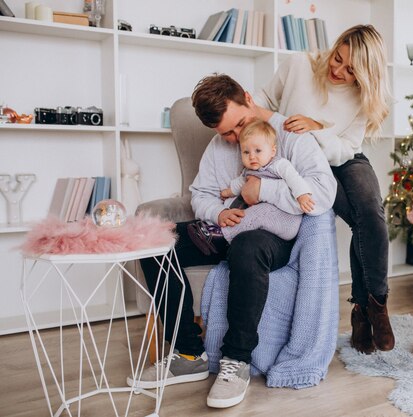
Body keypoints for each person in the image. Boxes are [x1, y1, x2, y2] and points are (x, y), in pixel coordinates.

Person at [129, 74, 336, 409]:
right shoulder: (218, 146)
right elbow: (201, 195)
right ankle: (188, 354)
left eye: (239, 124)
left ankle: (236, 361)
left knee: (247, 246)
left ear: (248, 98)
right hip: (225, 227)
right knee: (155, 242)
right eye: (226, 132)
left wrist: (263, 189)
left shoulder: (291, 134)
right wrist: (217, 213)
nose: (236, 137)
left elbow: (323, 193)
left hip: (270, 234)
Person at [254, 24, 395, 354]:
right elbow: (264, 99)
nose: (338, 70)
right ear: (335, 47)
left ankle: (375, 306)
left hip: (342, 156)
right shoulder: (298, 65)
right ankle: (361, 311)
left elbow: (347, 147)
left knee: (372, 214)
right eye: (338, 58)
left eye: (350, 71)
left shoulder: (363, 96)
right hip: (305, 161)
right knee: (359, 221)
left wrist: (317, 129)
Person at [187, 119, 315, 254]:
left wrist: (302, 195)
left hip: (286, 220)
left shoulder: (279, 165)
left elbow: (294, 179)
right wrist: (228, 192)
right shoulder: (249, 171)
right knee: (246, 213)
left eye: (258, 151)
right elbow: (241, 183)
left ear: (272, 151)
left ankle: (220, 237)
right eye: (246, 152)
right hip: (264, 225)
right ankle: (215, 231)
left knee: (259, 211)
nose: (252, 156)